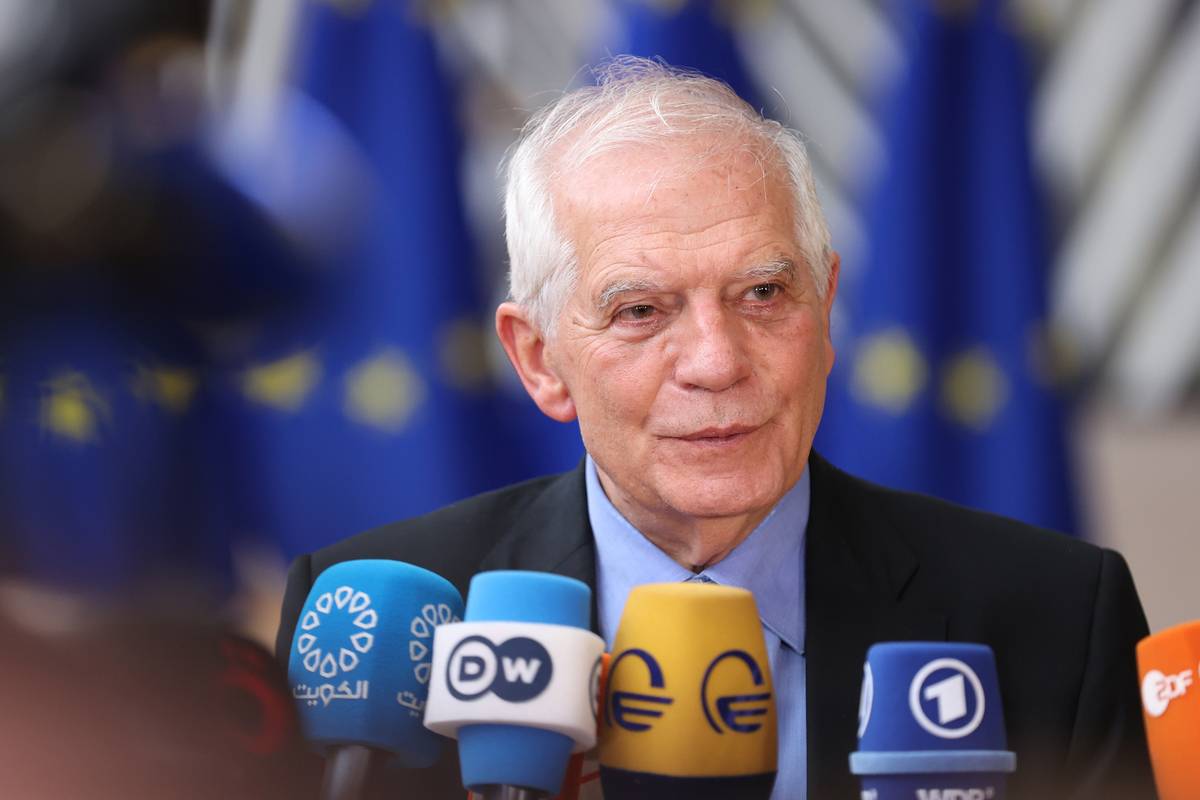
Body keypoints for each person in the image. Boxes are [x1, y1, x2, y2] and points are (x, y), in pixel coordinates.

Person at [276, 57, 1154, 799]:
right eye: (642, 310)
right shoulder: (385, 629)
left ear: (827, 307)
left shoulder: (1056, 620)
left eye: (763, 294)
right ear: (540, 359)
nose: (716, 361)